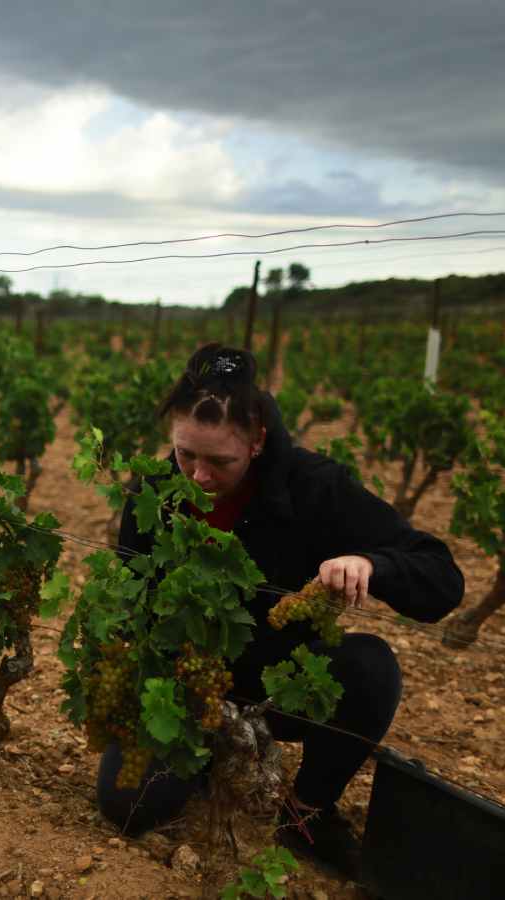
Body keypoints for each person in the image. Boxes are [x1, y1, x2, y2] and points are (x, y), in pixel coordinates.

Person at [97, 343, 464, 878]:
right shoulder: (154, 490)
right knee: (129, 808)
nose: (198, 475)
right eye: (184, 455)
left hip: (279, 687)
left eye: (219, 461)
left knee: (369, 668)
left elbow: (441, 577)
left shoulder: (316, 487)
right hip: (186, 684)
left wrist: (370, 562)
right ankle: (202, 753)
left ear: (258, 439)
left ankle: (308, 811)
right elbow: (134, 598)